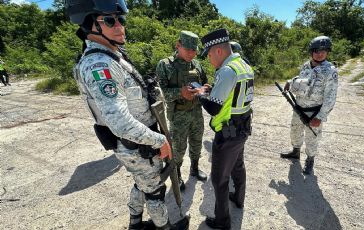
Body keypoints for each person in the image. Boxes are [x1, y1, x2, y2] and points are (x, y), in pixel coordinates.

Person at [65, 0, 189, 229]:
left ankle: (135, 222)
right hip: (137, 144)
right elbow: (119, 122)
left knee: (142, 183)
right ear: (89, 25)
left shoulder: (112, 55)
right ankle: (164, 227)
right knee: (154, 190)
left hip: (137, 142)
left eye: (121, 19)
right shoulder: (99, 64)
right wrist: (160, 140)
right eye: (110, 20)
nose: (120, 26)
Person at [198, 28, 254, 230]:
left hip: (228, 133)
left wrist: (201, 94)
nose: (209, 60)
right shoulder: (244, 65)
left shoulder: (227, 70)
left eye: (210, 55)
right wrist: (212, 90)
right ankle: (238, 199)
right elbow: (234, 94)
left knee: (219, 180)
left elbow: (213, 108)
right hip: (242, 128)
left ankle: (222, 223)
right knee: (238, 166)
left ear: (218, 51)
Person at [156, 31, 208, 191]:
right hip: (178, 115)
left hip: (196, 113)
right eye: (188, 50)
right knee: (178, 148)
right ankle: (177, 174)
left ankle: (194, 168)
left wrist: (206, 89)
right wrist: (180, 92)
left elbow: (205, 83)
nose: (192, 54)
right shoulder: (165, 65)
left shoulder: (197, 65)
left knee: (197, 142)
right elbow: (160, 93)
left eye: (194, 50)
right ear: (178, 45)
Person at [280, 35, 338, 175]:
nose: (320, 54)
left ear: (328, 52)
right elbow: (302, 79)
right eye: (317, 51)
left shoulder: (330, 71)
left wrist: (320, 116)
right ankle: (295, 151)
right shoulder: (306, 65)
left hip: (315, 111)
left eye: (323, 51)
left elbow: (330, 97)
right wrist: (290, 81)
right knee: (295, 131)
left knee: (312, 138)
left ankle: (310, 160)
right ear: (311, 51)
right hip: (299, 107)